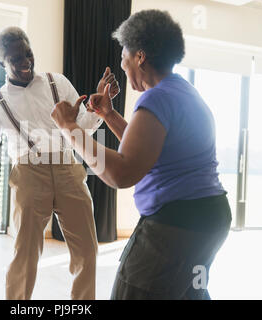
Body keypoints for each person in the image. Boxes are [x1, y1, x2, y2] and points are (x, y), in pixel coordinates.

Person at [51, 9, 231, 300]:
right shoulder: (182, 91)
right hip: (207, 220)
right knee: (187, 293)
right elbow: (147, 151)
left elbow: (122, 173)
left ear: (140, 56)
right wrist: (108, 114)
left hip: (174, 225)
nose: (121, 64)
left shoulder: (157, 97)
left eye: (124, 55)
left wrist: (69, 127)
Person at [0, 26, 120, 300]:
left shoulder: (56, 82)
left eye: (27, 54)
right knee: (25, 255)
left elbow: (81, 127)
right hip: (28, 174)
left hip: (67, 168)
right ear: (2, 63)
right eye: (15, 59)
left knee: (87, 250)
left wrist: (97, 106)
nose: (25, 62)